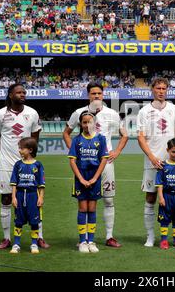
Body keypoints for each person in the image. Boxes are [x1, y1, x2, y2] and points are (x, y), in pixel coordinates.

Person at [63, 82, 128, 248]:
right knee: (84, 201)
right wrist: (75, 151)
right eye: (93, 94)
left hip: (106, 164)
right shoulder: (79, 113)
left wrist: (117, 151)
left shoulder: (112, 114)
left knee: (108, 199)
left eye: (99, 93)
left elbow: (124, 135)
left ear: (103, 95)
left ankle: (109, 236)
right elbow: (66, 133)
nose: (96, 96)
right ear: (88, 95)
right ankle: (83, 238)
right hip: (85, 165)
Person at [0, 83, 48, 249]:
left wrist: (29, 157)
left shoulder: (32, 113)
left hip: (28, 165)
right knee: (6, 199)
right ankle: (7, 238)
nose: (22, 94)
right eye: (19, 92)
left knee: (35, 199)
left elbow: (35, 137)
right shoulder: (0, 114)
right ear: (10, 95)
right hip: (7, 164)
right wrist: (4, 154)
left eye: (24, 92)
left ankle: (39, 237)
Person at [137, 77, 175, 248]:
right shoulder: (144, 111)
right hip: (153, 162)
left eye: (164, 88)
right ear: (152, 89)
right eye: (158, 88)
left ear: (167, 90)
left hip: (173, 163)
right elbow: (141, 137)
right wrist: (151, 156)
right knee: (151, 198)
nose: (161, 91)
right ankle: (150, 236)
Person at [68, 111, 109, 253]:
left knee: (92, 209)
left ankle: (91, 240)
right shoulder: (76, 140)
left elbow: (104, 159)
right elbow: (72, 161)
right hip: (81, 177)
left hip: (94, 178)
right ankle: (82, 241)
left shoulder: (101, 139)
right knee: (82, 209)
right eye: (84, 122)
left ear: (94, 123)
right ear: (81, 124)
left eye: (89, 122)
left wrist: (95, 178)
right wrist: (80, 178)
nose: (87, 125)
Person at [9, 137, 45, 254]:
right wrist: (13, 197)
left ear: (30, 150)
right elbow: (14, 182)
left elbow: (41, 184)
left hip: (33, 196)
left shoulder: (38, 165)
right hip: (19, 195)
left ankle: (34, 244)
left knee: (34, 222)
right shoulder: (18, 164)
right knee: (18, 221)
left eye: (21, 148)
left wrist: (41, 197)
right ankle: (16, 244)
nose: (19, 150)